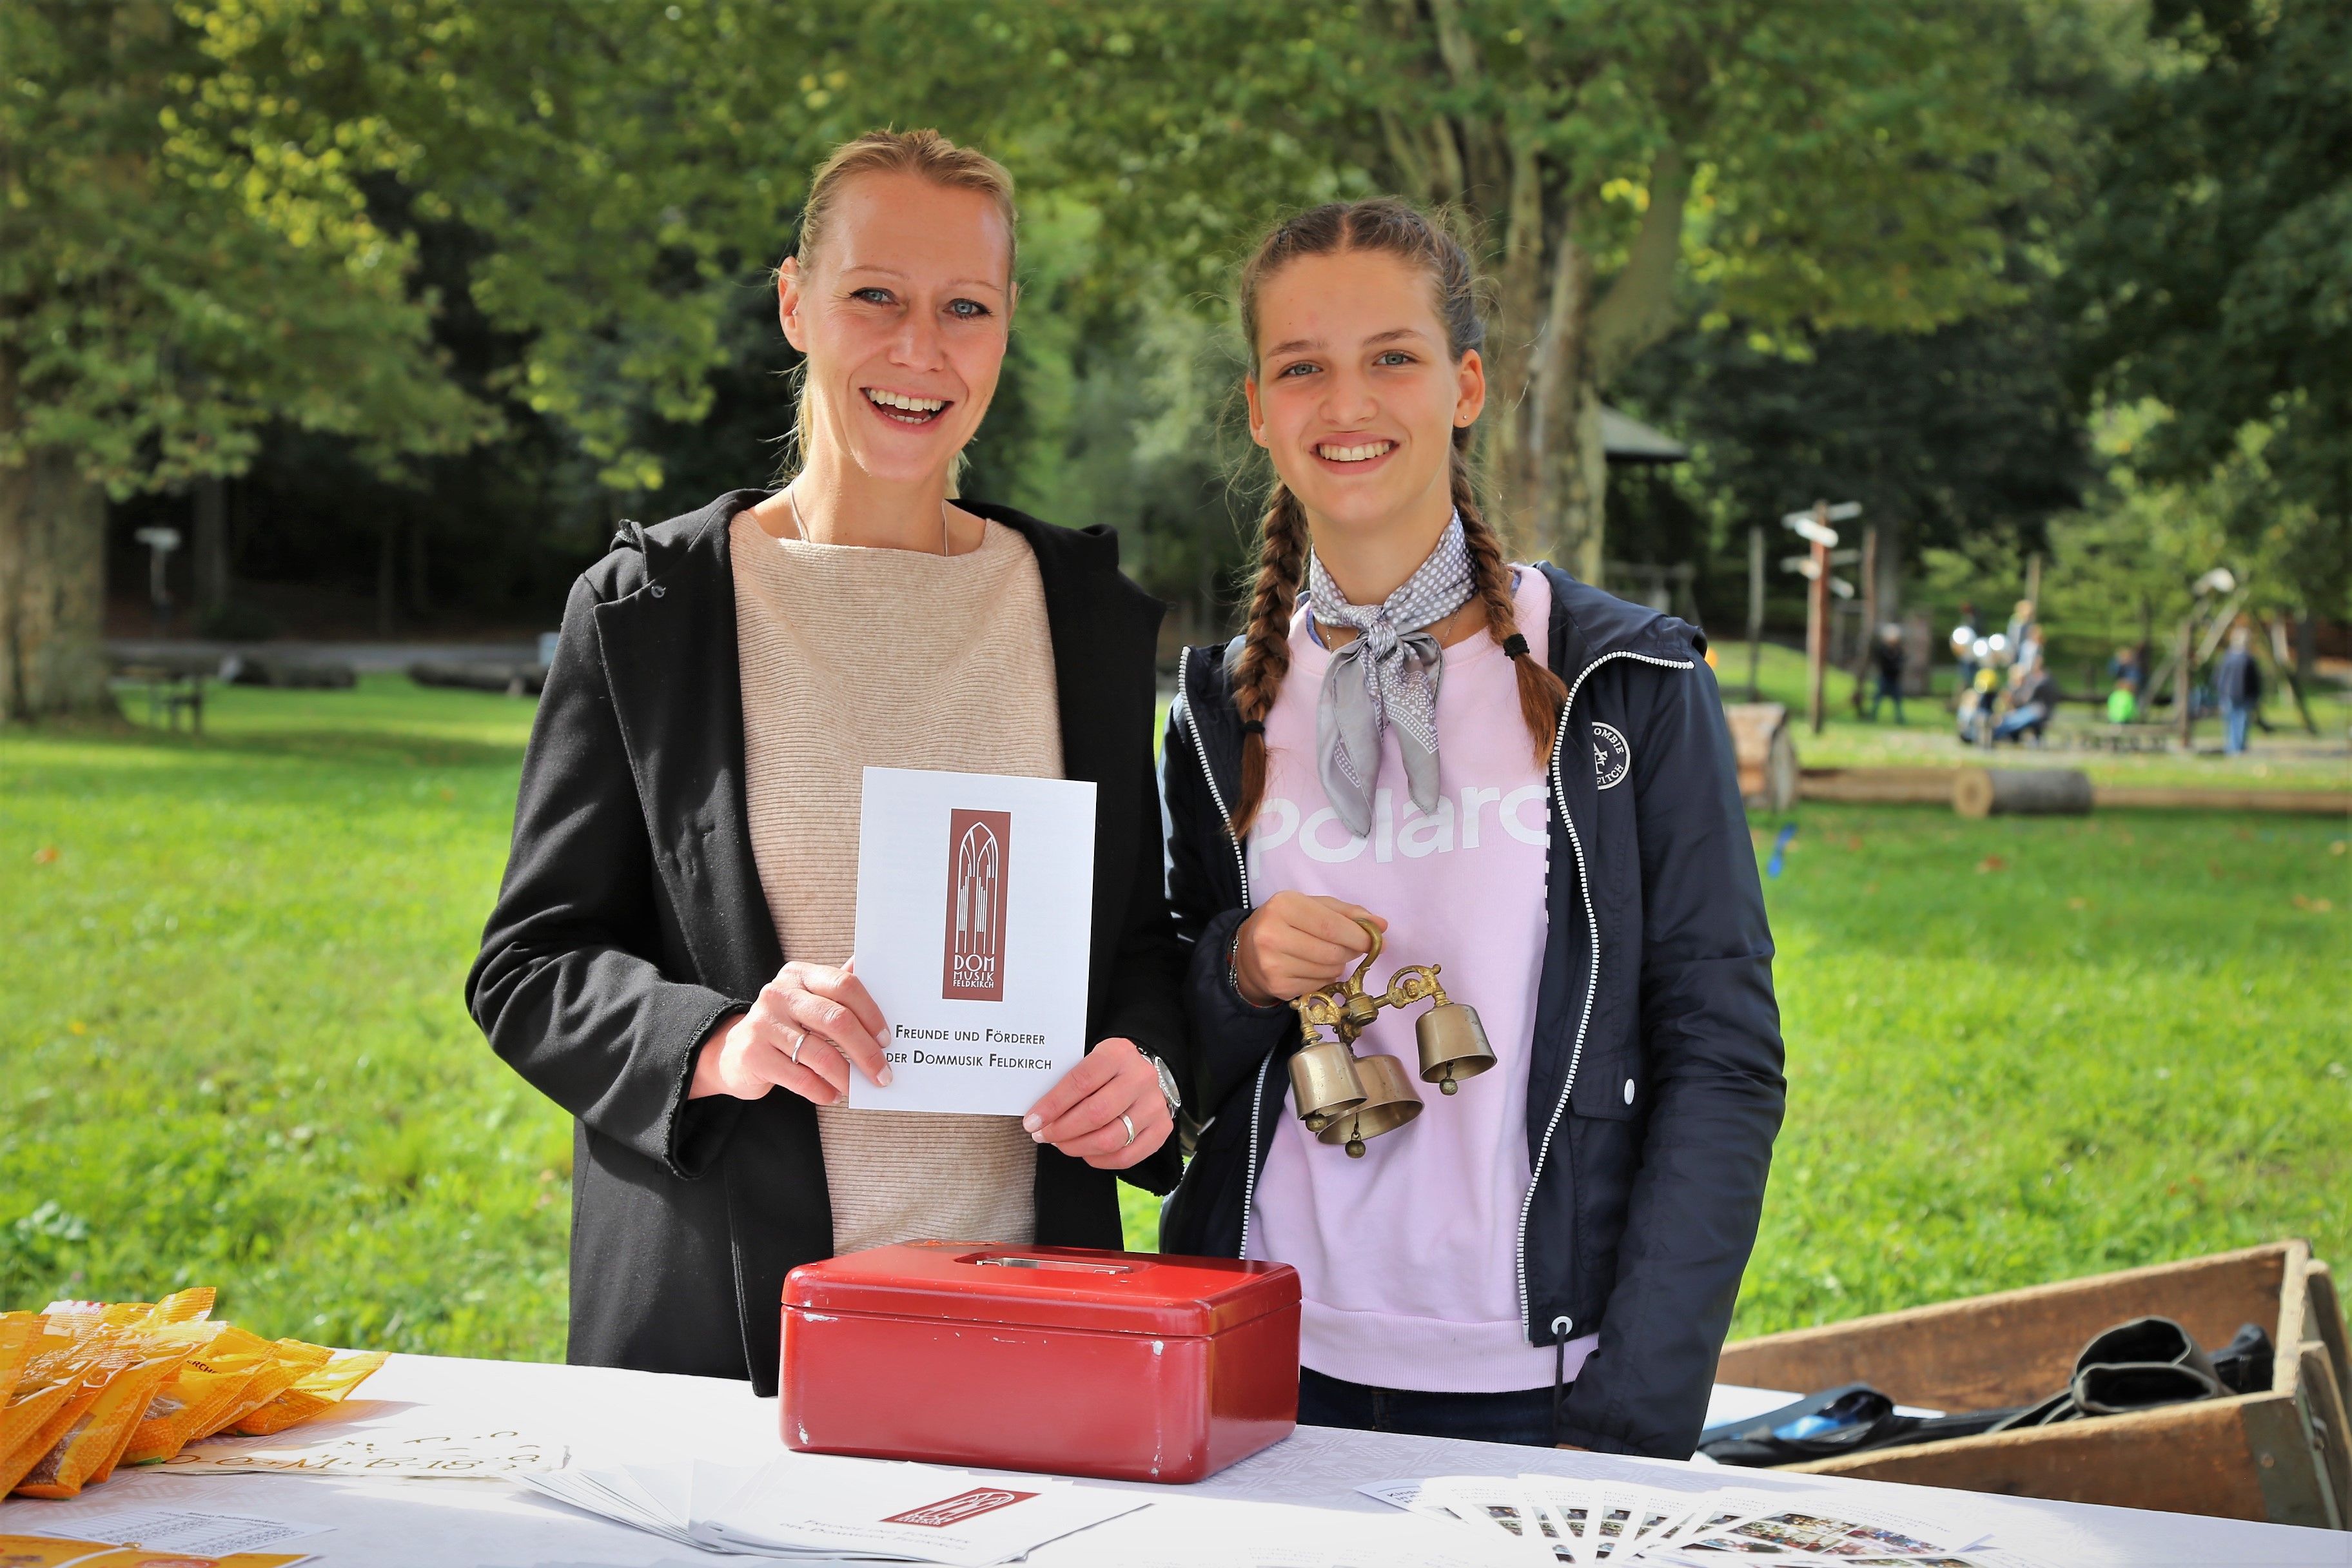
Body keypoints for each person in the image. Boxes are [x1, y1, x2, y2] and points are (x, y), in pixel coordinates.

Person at [468, 130, 1186, 1394]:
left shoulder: (1085, 617)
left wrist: (1151, 1065)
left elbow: (1134, 945)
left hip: (1022, 1335)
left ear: (1007, 325)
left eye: (965, 307)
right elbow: (529, 968)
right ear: (795, 303)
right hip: (729, 1345)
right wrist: (721, 1039)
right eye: (875, 296)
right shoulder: (648, 611)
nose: (920, 348)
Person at [1158, 199, 1784, 1458]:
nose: (1348, 402)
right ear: (1257, 408)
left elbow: (1721, 1059)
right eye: (1303, 368)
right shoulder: (1217, 706)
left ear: (1467, 385)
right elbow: (1162, 1039)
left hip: (1542, 1381)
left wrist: (1632, 1409)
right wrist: (1237, 969)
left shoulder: (1628, 680)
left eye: (1393, 356)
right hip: (1262, 1362)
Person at [2217, 625, 2262, 755]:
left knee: (2242, 722)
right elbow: (2220, 677)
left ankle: (2239, 747)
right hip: (2230, 695)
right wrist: (2222, 692)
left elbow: (2254, 680)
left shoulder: (2248, 658)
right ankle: (2233, 747)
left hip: (2245, 696)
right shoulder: (2228, 657)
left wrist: (2255, 696)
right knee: (2231, 722)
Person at [1993, 662, 2056, 745]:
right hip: (2020, 712)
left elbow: (2026, 700)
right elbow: (2006, 705)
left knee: (2015, 720)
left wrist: (2012, 700)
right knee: (2007, 719)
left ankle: (1995, 734)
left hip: (2033, 711)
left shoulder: (2030, 686)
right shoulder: (2011, 687)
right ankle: (1995, 733)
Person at [1868, 623, 1906, 723]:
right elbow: (1880, 660)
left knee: (1897, 700)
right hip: (1885, 677)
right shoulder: (1883, 650)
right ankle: (1872, 716)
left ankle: (1900, 718)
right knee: (1878, 698)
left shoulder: (1899, 650)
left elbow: (1901, 661)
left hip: (1894, 679)